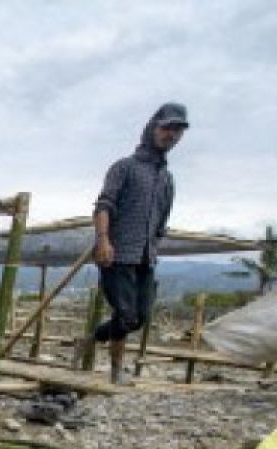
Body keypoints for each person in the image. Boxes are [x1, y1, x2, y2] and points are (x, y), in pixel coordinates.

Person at [93, 102, 189, 384]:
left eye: (177, 130)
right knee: (124, 314)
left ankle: (94, 337)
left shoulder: (167, 180)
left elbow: (161, 221)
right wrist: (103, 240)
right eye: (166, 127)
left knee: (140, 317)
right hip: (117, 254)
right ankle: (115, 371)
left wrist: (155, 241)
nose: (171, 134)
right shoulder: (124, 167)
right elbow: (103, 205)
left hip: (146, 256)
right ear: (152, 127)